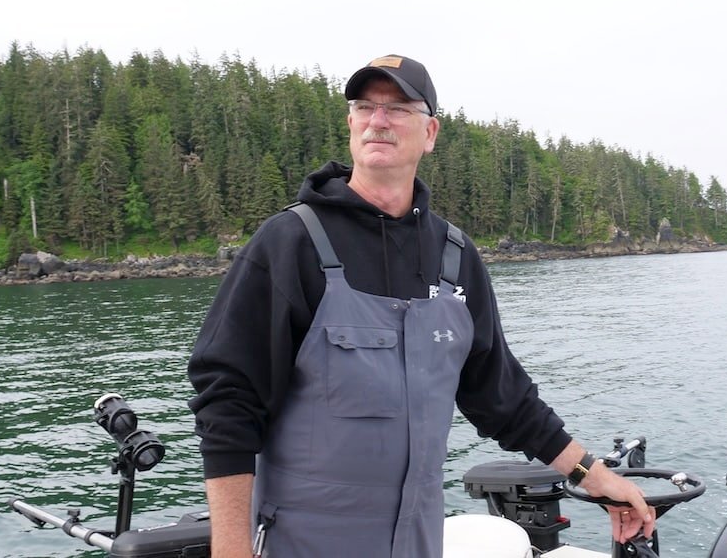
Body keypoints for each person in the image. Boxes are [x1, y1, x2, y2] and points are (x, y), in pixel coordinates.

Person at [187, 54, 655, 558]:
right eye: (365, 107)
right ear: (351, 124)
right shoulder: (289, 243)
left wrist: (595, 477)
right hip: (303, 539)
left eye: (399, 109)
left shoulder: (455, 258)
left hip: (419, 539)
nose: (379, 121)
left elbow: (503, 398)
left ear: (430, 133)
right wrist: (231, 547)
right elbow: (229, 400)